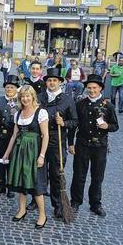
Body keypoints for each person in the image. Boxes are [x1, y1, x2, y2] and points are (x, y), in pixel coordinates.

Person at [69, 74, 119, 217]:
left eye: (94, 88)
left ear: (100, 89)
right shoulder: (80, 104)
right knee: (79, 175)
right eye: (89, 88)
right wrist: (71, 143)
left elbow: (115, 126)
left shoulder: (108, 106)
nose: (91, 90)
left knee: (97, 177)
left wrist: (106, 126)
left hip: (100, 146)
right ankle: (75, 202)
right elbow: (73, 125)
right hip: (82, 144)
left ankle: (95, 204)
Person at [30, 68, 78, 218]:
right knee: (38, 171)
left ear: (60, 83)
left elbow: (75, 121)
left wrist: (64, 123)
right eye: (49, 80)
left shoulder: (67, 99)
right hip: (39, 140)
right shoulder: (38, 98)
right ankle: (36, 200)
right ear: (45, 82)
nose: (51, 83)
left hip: (57, 141)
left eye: (54, 80)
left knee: (56, 174)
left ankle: (57, 204)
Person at [2, 85, 50, 229]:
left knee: (36, 183)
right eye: (23, 96)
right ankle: (22, 209)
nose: (25, 99)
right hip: (19, 151)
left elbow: (45, 135)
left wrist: (41, 156)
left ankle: (42, 214)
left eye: (28, 96)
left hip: (34, 151)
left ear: (33, 97)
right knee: (21, 181)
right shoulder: (18, 114)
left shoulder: (41, 112)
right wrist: (6, 153)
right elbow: (14, 135)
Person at [0, 75, 20, 198]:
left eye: (12, 87)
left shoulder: (20, 101)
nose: (9, 89)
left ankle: (11, 187)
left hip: (14, 135)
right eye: (7, 87)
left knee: (12, 161)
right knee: (0, 161)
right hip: (0, 136)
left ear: (16, 89)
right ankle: (1, 185)